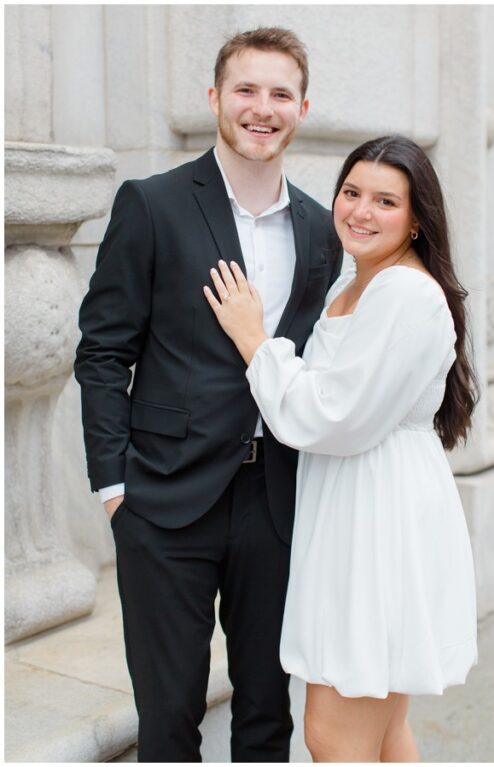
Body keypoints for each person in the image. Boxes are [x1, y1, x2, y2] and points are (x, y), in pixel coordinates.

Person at [75, 28, 339, 761]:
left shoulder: (322, 229)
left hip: (279, 500)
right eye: (247, 90)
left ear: (303, 107)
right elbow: (103, 351)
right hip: (163, 502)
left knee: (266, 717)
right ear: (215, 98)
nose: (263, 108)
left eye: (280, 93)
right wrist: (115, 489)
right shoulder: (152, 205)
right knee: (168, 720)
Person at [203, 134, 479, 762]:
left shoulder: (404, 293)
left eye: (386, 200)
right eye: (351, 192)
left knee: (333, 736)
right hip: (352, 506)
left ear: (416, 220)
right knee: (381, 731)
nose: (360, 211)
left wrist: (254, 340)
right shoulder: (354, 284)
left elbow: (337, 416)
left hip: (378, 517)